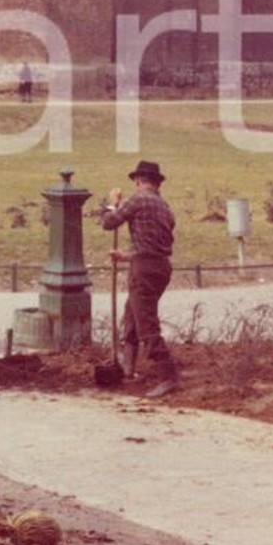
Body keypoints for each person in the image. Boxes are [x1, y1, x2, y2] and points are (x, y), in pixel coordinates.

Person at [99, 159, 179, 398]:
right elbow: (155, 246)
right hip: (161, 268)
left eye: (135, 181)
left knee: (146, 324)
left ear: (138, 180)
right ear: (157, 182)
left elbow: (108, 223)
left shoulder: (137, 199)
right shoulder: (164, 206)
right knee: (132, 315)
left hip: (143, 269)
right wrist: (126, 256)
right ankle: (127, 369)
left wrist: (112, 205)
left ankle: (168, 377)